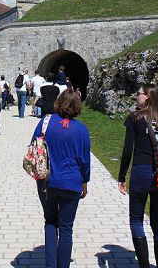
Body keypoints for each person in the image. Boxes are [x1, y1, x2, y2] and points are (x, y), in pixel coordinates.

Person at [118, 84, 158, 268]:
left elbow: (128, 150)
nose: (137, 96)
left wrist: (121, 176)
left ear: (148, 97)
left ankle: (143, 265)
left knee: (136, 219)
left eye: (139, 94)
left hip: (140, 172)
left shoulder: (135, 117)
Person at [32, 89, 90, 268]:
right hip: (71, 183)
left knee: (50, 221)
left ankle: (50, 264)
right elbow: (84, 161)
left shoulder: (45, 122)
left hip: (46, 182)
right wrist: (84, 183)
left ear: (59, 102)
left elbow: (34, 145)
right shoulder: (82, 130)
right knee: (66, 229)